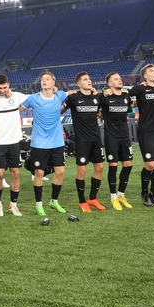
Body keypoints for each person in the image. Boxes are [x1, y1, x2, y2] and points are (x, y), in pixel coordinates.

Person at [21, 71, 68, 216]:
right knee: (39, 173)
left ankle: (54, 201)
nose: (44, 81)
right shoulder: (33, 99)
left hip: (57, 142)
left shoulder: (60, 96)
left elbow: (72, 92)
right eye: (42, 79)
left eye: (47, 79)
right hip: (39, 142)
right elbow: (18, 108)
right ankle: (39, 204)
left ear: (54, 83)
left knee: (60, 171)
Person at [63, 72, 106, 214]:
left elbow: (102, 111)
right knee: (82, 170)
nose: (89, 81)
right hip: (82, 141)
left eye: (89, 79)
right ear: (79, 84)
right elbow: (58, 110)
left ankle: (92, 198)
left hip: (96, 139)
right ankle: (82, 202)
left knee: (99, 167)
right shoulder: (73, 98)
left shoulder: (97, 97)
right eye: (85, 80)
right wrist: (63, 94)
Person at [127, 64, 154, 207]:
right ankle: (144, 193)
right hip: (146, 131)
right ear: (145, 76)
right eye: (151, 71)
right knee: (150, 164)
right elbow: (125, 95)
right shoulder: (140, 88)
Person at [0, 74, 26, 217]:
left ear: (8, 85)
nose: (3, 90)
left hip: (14, 141)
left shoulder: (17, 96)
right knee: (0, 174)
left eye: (5, 87)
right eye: (0, 88)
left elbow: (36, 98)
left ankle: (13, 205)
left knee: (15, 172)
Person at [100, 72, 134, 210]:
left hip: (125, 136)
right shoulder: (104, 97)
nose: (120, 80)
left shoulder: (126, 96)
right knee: (113, 166)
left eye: (120, 78)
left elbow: (134, 102)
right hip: (111, 136)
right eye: (116, 79)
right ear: (109, 84)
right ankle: (113, 197)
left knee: (128, 165)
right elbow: (93, 99)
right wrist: (103, 92)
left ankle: (121, 194)